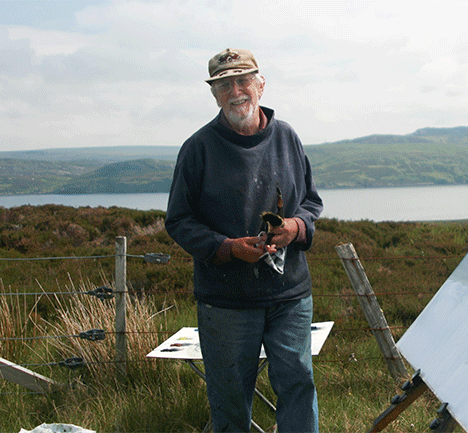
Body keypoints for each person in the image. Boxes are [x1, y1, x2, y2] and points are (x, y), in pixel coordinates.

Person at [165, 48, 323, 433]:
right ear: (214, 94)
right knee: (231, 402)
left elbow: (311, 203)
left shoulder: (287, 137)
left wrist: (296, 228)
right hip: (226, 302)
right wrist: (228, 248)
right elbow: (179, 220)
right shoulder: (198, 149)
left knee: (298, 386)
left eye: (243, 81)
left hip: (290, 298)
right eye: (224, 85)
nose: (236, 91)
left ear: (260, 85)